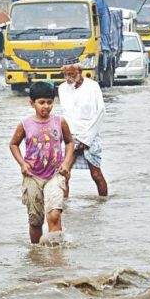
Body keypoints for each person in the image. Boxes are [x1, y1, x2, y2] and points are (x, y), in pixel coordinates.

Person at [9, 81, 74, 245]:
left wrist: (66, 163)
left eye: (50, 102)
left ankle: (55, 254)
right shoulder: (25, 124)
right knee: (35, 221)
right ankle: (37, 255)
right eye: (41, 102)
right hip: (33, 176)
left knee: (54, 214)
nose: (46, 106)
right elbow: (13, 144)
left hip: (55, 175)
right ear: (32, 103)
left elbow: (70, 142)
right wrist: (22, 164)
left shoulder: (60, 122)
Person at [57, 63, 108, 198]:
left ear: (80, 72)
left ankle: (103, 203)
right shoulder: (62, 88)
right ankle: (64, 208)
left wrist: (87, 139)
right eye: (66, 75)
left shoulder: (93, 86)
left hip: (90, 135)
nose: (68, 78)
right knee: (64, 174)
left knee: (96, 174)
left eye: (72, 74)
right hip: (71, 136)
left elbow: (101, 112)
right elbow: (66, 114)